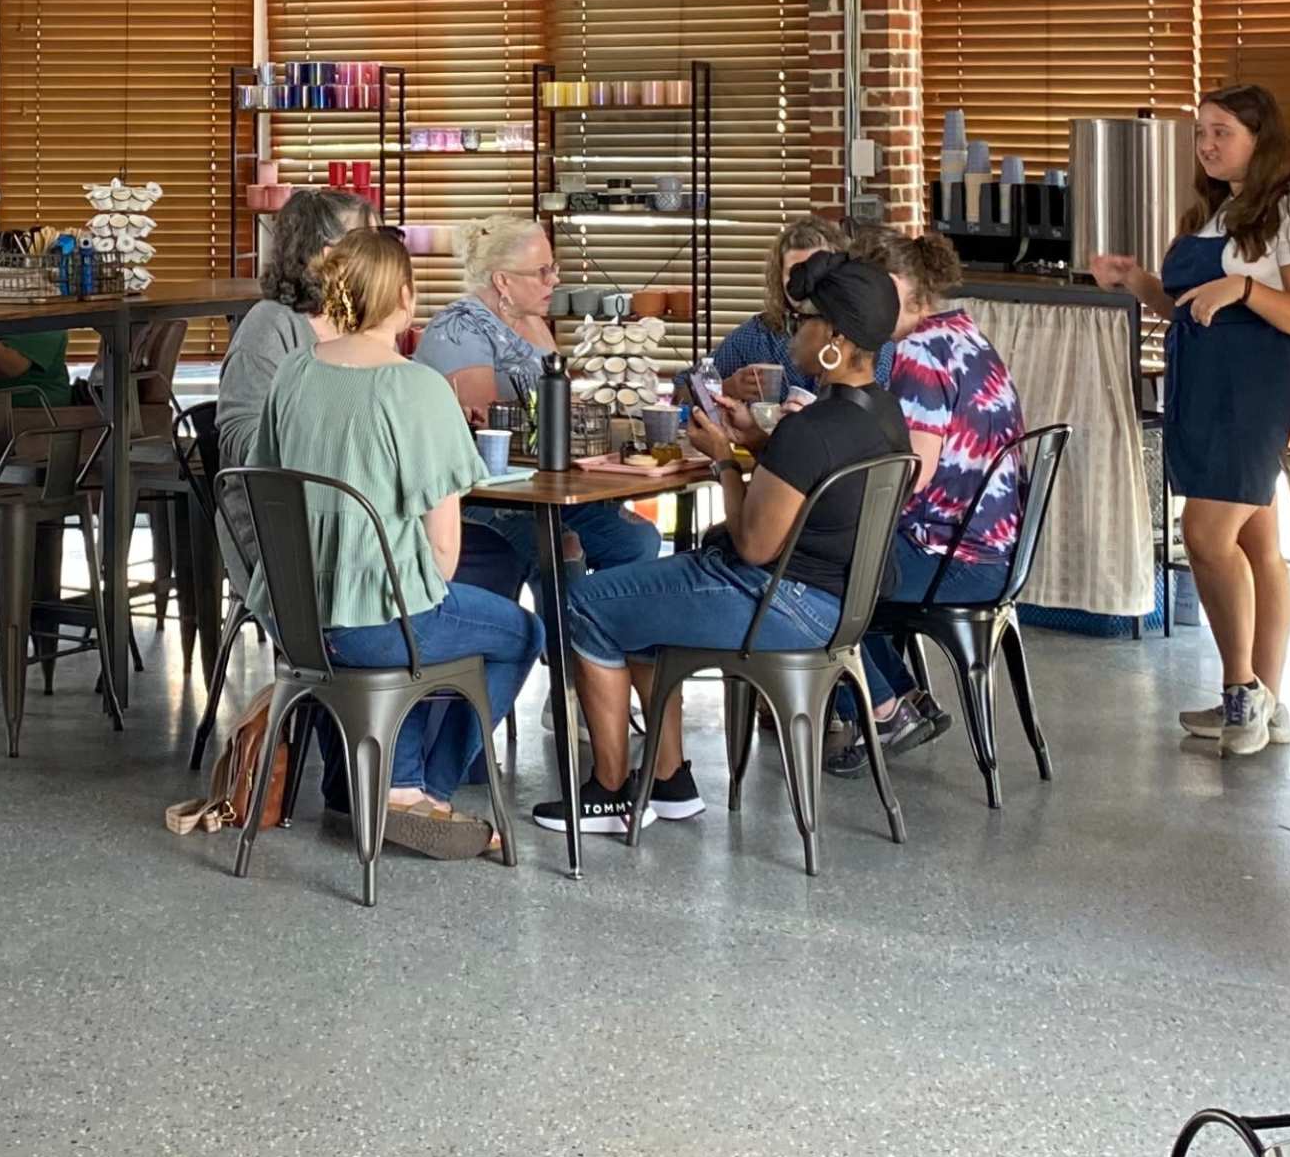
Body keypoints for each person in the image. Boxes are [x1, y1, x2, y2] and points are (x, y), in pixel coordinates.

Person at [531, 254, 912, 840]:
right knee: (639, 602)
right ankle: (670, 783)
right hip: (839, 608)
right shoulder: (883, 416)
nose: (793, 336)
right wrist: (756, 445)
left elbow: (755, 546)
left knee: (586, 603)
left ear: (834, 338)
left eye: (804, 323)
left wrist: (724, 463)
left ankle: (609, 793)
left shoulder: (809, 431)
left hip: (778, 602)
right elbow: (810, 487)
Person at [240, 228, 541, 857]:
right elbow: (442, 556)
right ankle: (421, 790)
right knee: (512, 632)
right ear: (405, 297)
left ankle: (384, 785)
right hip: (375, 624)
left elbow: (265, 483)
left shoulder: (293, 373)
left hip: (293, 620)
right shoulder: (416, 387)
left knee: (405, 628)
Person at [1088, 84, 1290, 757]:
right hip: (1201, 388)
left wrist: (1248, 288)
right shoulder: (1214, 214)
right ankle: (1267, 703)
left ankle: (1241, 692)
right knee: (1256, 543)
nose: (1206, 144)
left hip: (1251, 395)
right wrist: (1138, 282)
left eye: (1221, 131)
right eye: (1202, 132)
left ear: (1261, 139)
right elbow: (1189, 308)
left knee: (1204, 535)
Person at [834, 228, 1029, 772]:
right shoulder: (966, 336)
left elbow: (910, 475)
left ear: (898, 292)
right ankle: (901, 698)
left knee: (810, 570)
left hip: (954, 559)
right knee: (844, 562)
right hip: (992, 550)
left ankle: (882, 706)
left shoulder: (918, 354)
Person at [418, 213, 665, 600]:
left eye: (554, 269)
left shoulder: (532, 323)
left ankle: (608, 637)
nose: (555, 280)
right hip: (480, 495)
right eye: (542, 272)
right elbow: (488, 428)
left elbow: (556, 407)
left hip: (540, 488)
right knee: (561, 545)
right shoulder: (461, 328)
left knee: (635, 539)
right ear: (503, 280)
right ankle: (574, 650)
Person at [216, 187, 373, 464]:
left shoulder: (366, 321)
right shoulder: (270, 326)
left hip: (362, 496)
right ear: (326, 256)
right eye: (368, 245)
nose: (383, 258)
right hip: (282, 502)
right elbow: (240, 438)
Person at [707, 212, 847, 402]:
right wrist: (727, 387)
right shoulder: (757, 336)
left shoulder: (861, 339)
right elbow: (684, 391)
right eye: (794, 273)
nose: (804, 284)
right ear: (779, 277)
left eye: (814, 271)